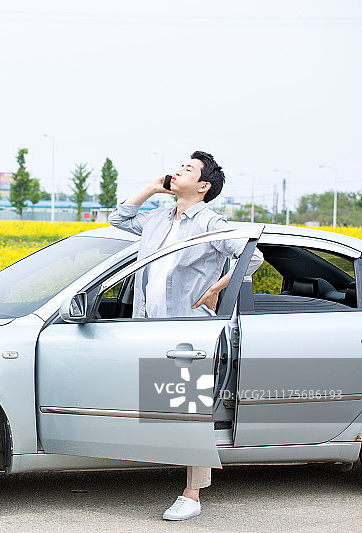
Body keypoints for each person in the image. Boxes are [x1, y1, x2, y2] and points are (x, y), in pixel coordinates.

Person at [108, 151, 263, 521]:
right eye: (179, 167)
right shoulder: (159, 218)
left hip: (186, 330)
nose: (178, 171)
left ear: (204, 185)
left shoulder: (211, 222)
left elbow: (252, 258)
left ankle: (192, 495)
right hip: (147, 324)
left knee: (188, 410)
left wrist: (217, 289)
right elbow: (119, 217)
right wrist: (151, 187)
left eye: (188, 169)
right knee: (151, 404)